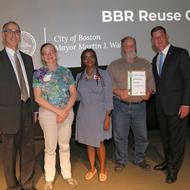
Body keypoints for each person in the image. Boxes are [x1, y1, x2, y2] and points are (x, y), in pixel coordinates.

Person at [33, 43, 78, 189]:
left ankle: (67, 174)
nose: (49, 54)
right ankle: (49, 178)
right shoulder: (39, 73)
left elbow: (73, 94)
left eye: (51, 51)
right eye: (45, 53)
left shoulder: (65, 72)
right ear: (42, 57)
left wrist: (64, 111)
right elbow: (38, 98)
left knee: (64, 145)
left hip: (66, 112)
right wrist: (58, 112)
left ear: (56, 53)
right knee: (50, 147)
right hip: (47, 114)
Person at [107, 36, 156, 173]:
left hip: (139, 106)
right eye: (126, 46)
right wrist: (117, 91)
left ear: (136, 47)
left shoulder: (145, 63)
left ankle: (139, 158)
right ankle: (121, 160)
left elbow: (151, 80)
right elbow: (109, 83)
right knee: (120, 136)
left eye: (132, 45)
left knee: (141, 135)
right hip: (120, 105)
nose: (129, 48)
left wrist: (149, 91)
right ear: (122, 48)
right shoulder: (113, 65)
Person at [0, 21, 37, 190]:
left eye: (17, 32)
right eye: (10, 31)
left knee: (28, 149)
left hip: (27, 110)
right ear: (3, 35)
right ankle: (13, 186)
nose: (14, 35)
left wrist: (34, 110)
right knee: (9, 154)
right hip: (6, 115)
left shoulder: (28, 59)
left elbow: (31, 86)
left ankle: (27, 184)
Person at [151, 26, 190, 184]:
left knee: (176, 139)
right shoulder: (155, 60)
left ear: (166, 36)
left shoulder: (181, 54)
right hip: (161, 107)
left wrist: (186, 104)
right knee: (165, 138)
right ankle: (168, 162)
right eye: (155, 37)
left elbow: (188, 79)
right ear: (152, 41)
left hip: (178, 106)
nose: (158, 39)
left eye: (160, 36)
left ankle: (173, 170)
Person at [75, 49, 113, 182]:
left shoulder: (103, 74)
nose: (88, 59)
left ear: (95, 58)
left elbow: (109, 96)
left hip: (100, 114)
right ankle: (92, 168)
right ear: (83, 60)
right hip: (84, 114)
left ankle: (102, 169)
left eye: (91, 57)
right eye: (85, 57)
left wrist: (108, 116)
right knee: (89, 143)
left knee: (99, 143)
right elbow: (77, 97)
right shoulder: (79, 76)